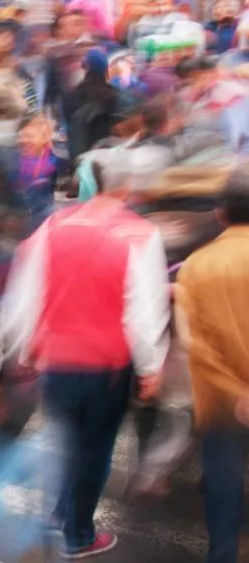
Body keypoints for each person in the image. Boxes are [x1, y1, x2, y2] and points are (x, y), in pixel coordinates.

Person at [0, 160, 171, 559]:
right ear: (126, 189)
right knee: (95, 450)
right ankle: (78, 535)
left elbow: (25, 291)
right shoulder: (140, 233)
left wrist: (19, 350)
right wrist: (150, 367)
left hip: (57, 363)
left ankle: (56, 514)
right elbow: (144, 310)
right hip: (106, 367)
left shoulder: (53, 226)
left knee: (65, 440)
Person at [174, 166, 249, 563]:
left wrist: (239, 395)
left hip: (221, 405)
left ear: (220, 214)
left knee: (224, 487)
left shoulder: (198, 266)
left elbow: (196, 344)